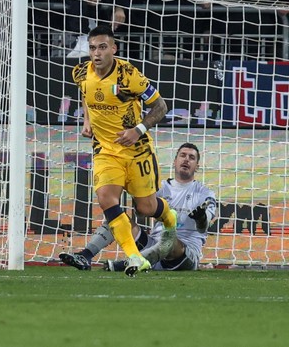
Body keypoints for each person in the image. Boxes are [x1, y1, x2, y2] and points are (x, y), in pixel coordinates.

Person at [71, 25, 174, 277]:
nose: (97, 53)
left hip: (137, 151)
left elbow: (161, 106)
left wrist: (138, 129)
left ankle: (171, 220)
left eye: (103, 47)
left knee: (146, 208)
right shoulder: (81, 72)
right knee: (106, 197)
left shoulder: (129, 75)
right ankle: (135, 257)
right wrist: (87, 120)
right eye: (93, 48)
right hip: (106, 150)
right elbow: (87, 94)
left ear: (114, 49)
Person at [60, 143, 217, 272]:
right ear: (174, 161)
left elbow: (204, 228)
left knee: (170, 239)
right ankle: (85, 256)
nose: (186, 160)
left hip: (183, 254)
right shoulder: (160, 188)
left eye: (191, 158)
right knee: (116, 219)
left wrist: (201, 218)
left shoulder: (204, 193)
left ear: (197, 166)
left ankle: (127, 263)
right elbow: (141, 213)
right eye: (182, 155)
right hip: (151, 244)